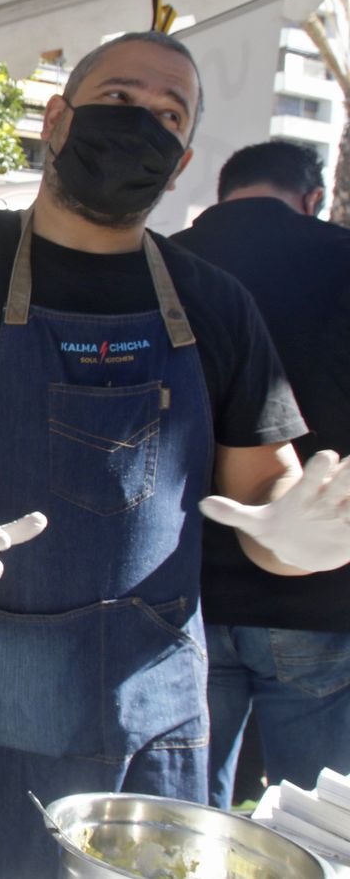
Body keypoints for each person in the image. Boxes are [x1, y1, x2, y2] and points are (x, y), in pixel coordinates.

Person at [0, 31, 350, 878]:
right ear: (58, 118)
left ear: (180, 163)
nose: (140, 122)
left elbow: (264, 491)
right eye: (118, 100)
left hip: (140, 720)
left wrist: (293, 539)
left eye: (168, 114)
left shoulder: (214, 303)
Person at [171, 140, 350, 806]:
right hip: (324, 598)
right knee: (319, 828)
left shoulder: (166, 262)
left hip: (184, 592)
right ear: (311, 197)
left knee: (183, 827)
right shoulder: (341, 257)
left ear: (221, 192)